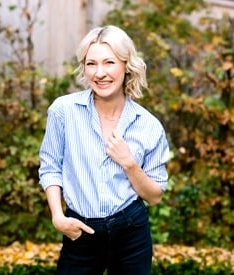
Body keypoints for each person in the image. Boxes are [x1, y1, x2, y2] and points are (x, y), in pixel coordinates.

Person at [38, 25, 170, 275]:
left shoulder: (149, 126)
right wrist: (58, 216)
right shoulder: (63, 111)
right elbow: (50, 167)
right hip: (80, 232)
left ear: (126, 65)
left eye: (109, 62)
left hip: (131, 234)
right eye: (91, 64)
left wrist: (129, 163)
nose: (100, 73)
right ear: (84, 68)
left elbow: (154, 196)